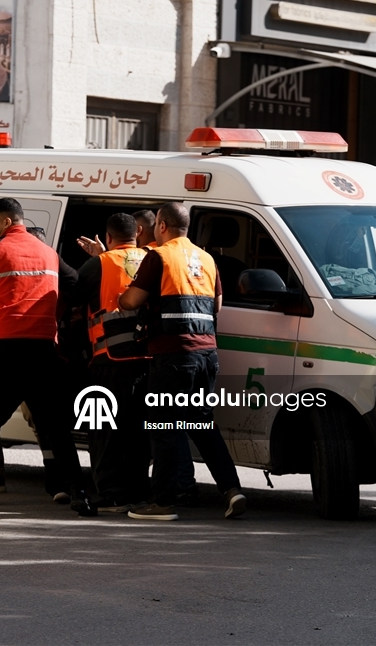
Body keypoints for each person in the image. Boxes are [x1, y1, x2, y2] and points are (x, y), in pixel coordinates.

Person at [0, 198, 95, 515]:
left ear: (7, 222)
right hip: (43, 347)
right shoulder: (48, 252)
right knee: (54, 423)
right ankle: (80, 492)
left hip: (3, 345)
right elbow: (74, 281)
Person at [119, 202, 247, 520]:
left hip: (173, 354)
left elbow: (131, 300)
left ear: (161, 226)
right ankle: (232, 490)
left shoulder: (159, 256)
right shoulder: (206, 259)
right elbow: (216, 306)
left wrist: (122, 295)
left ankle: (162, 503)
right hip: (206, 355)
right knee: (202, 424)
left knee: (165, 427)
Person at [75, 213, 153, 513]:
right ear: (138, 233)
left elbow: (71, 294)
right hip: (148, 358)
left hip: (109, 360)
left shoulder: (99, 264)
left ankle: (113, 495)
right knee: (138, 431)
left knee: (103, 429)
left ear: (108, 238)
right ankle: (139, 493)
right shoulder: (151, 257)